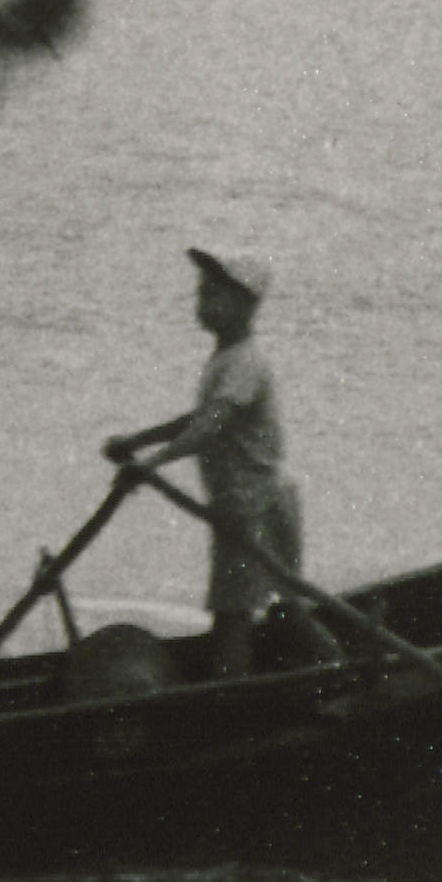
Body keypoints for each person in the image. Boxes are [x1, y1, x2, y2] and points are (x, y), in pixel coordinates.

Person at [106, 248, 323, 673]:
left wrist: (152, 463)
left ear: (245, 307)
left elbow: (209, 427)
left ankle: (239, 699)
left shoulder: (245, 363)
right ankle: (339, 669)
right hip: (245, 503)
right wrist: (137, 441)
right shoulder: (225, 359)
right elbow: (198, 419)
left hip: (252, 505)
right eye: (201, 294)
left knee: (233, 615)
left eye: (215, 296)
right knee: (280, 603)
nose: (203, 305)